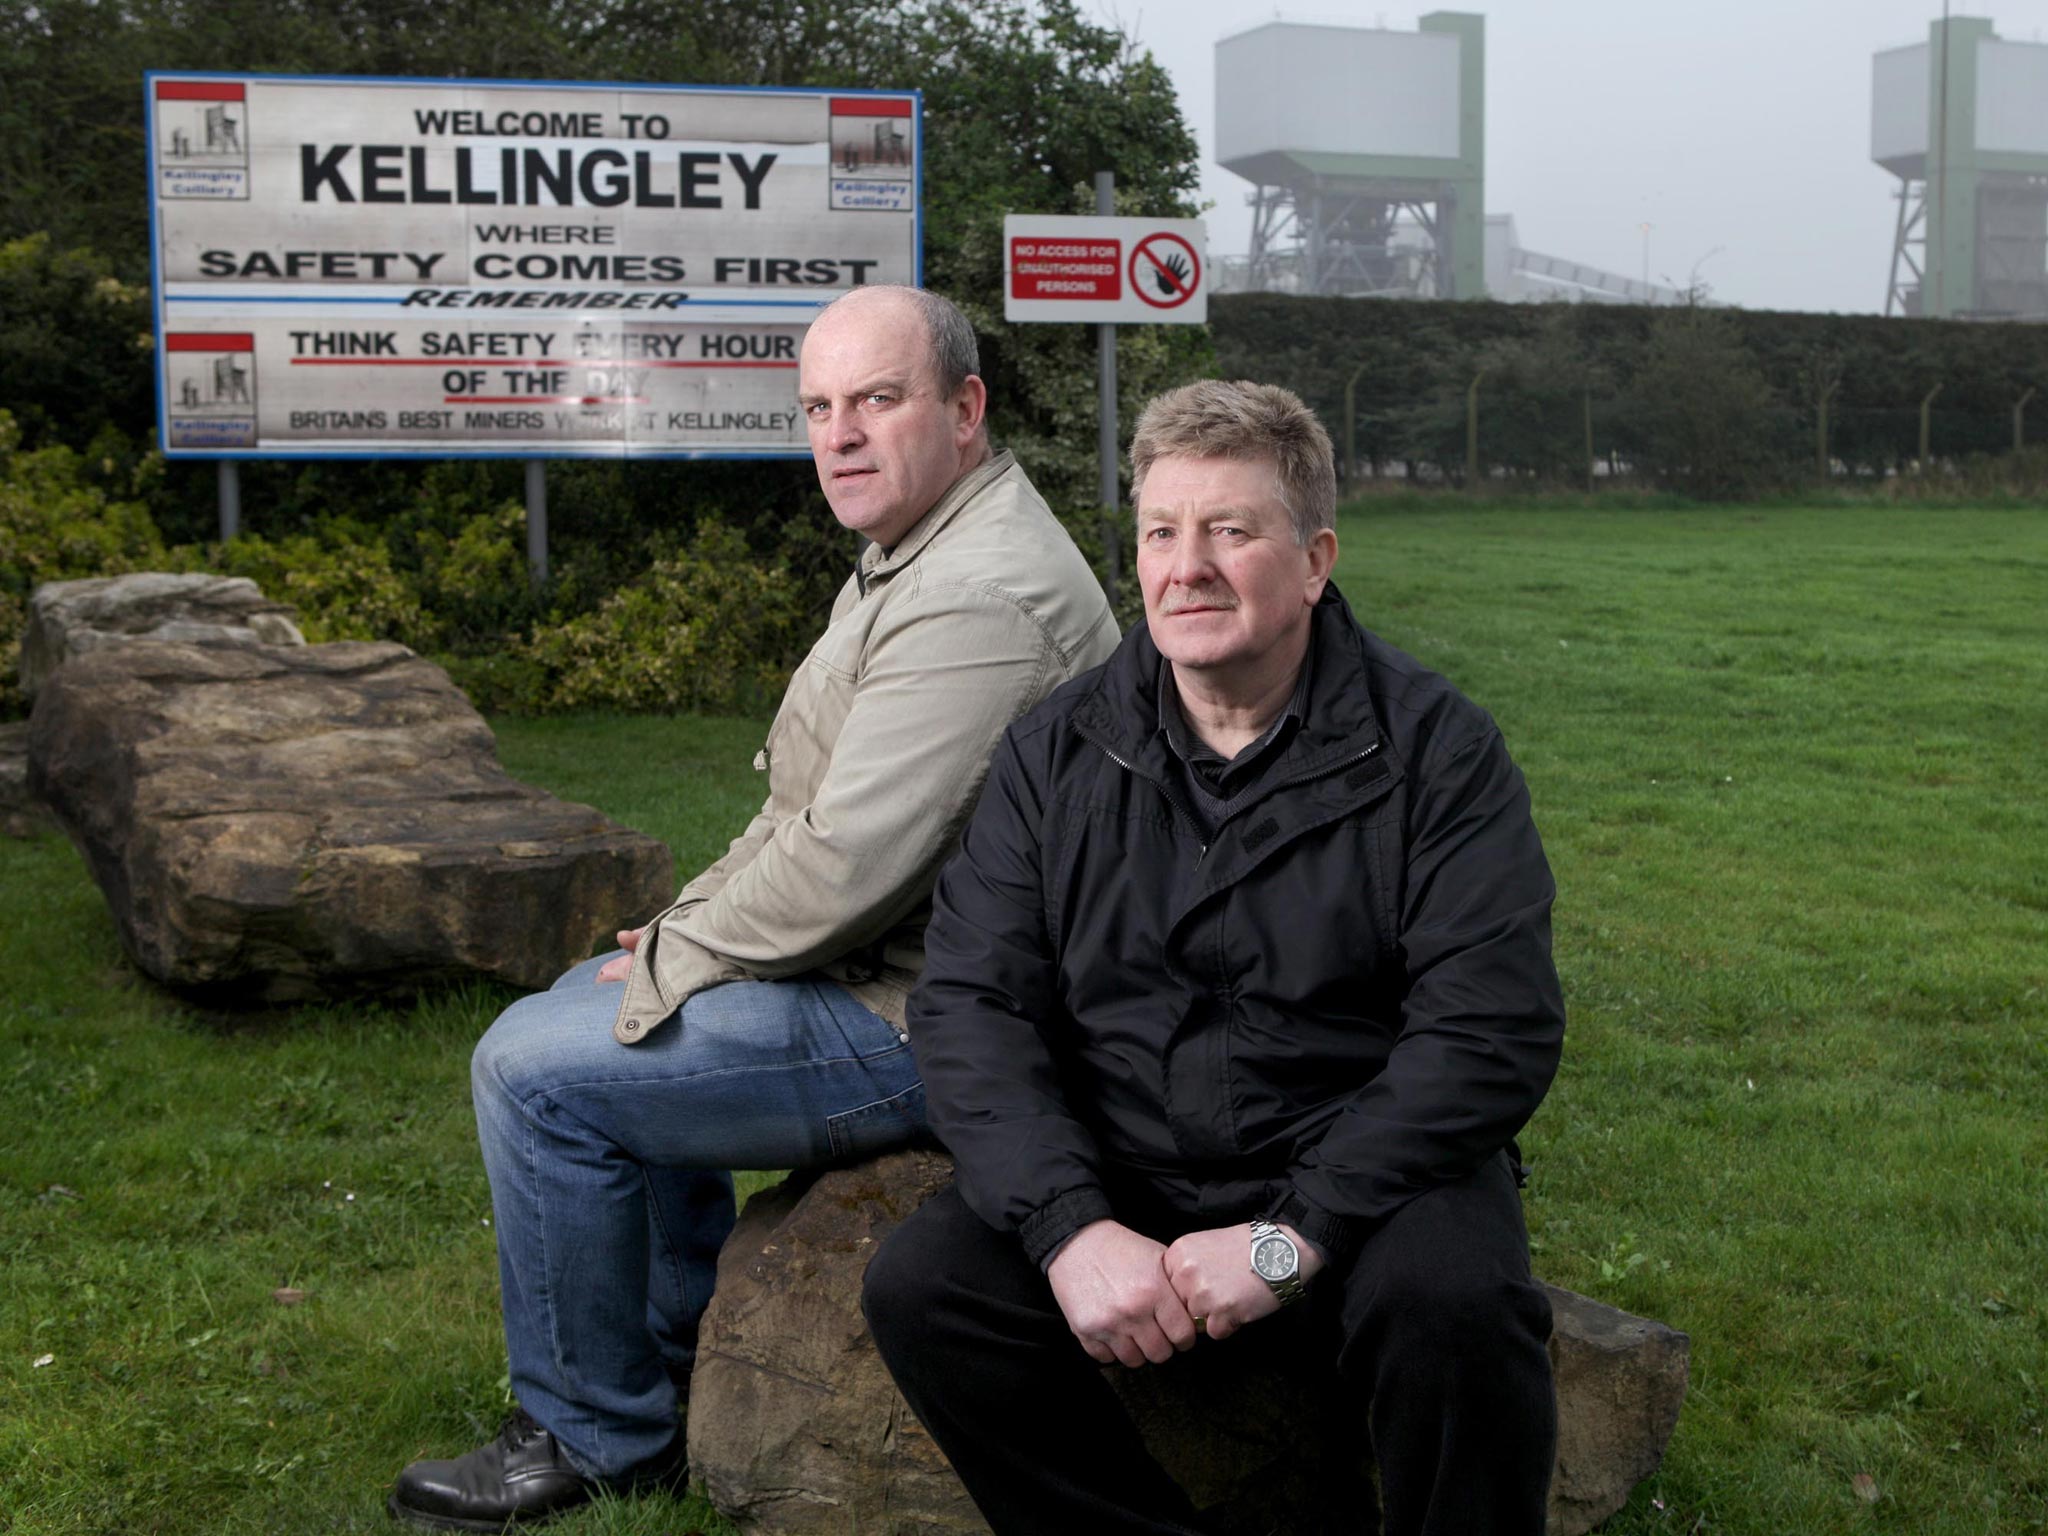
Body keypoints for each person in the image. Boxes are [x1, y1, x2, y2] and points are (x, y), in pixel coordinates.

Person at [388, 285, 1118, 1531]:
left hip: (938, 1020)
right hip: (887, 968)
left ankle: (589, 1435)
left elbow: (842, 866)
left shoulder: (979, 596)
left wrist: (685, 953)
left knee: (536, 1069)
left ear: (964, 408)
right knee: (586, 1006)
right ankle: (672, 1373)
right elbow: (800, 808)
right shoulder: (921, 545)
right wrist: (683, 929)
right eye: (818, 408)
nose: (839, 435)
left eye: (875, 400)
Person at [863, 380, 1566, 1536]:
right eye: (1158, 533)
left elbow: (1489, 1028)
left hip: (1361, 1165)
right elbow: (970, 1005)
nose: (1184, 568)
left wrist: (1297, 1236)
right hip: (1124, 1153)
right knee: (924, 1291)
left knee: (1456, 1308)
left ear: (1314, 560)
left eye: (1228, 531)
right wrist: (1069, 1226)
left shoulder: (1436, 751)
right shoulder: (1053, 750)